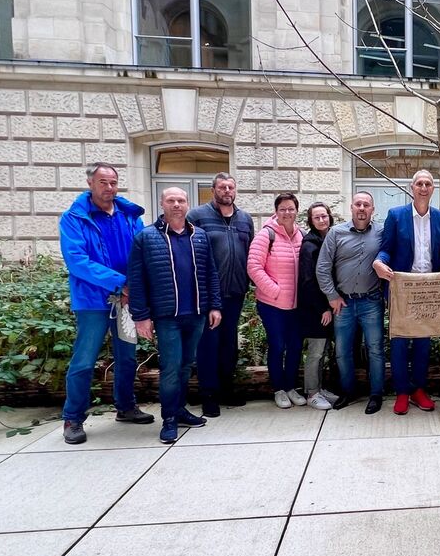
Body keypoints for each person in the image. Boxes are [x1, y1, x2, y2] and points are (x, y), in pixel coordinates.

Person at [58, 163, 151, 445]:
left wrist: (134, 286)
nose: (109, 188)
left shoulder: (129, 215)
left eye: (113, 182)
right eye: (103, 182)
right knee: (84, 360)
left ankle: (125, 407)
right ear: (90, 183)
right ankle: (73, 417)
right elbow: (77, 262)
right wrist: (119, 283)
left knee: (127, 356)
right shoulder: (74, 218)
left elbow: (143, 252)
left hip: (127, 299)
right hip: (92, 301)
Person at [128, 187, 222, 444]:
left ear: (188, 203)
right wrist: (141, 316)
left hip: (197, 313)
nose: (177, 205)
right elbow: (137, 280)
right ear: (162, 203)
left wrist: (215, 306)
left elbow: (210, 274)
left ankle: (180, 410)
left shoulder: (199, 236)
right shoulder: (146, 237)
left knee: (185, 366)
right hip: (167, 315)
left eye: (181, 200)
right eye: (171, 200)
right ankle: (169, 418)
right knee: (170, 367)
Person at [373, 170, 440, 415]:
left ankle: (419, 389)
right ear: (412, 187)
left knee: (422, 342)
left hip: (429, 289)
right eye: (419, 183)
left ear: (432, 189)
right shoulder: (396, 215)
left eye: (428, 183)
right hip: (402, 288)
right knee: (399, 341)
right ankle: (401, 392)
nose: (423, 187)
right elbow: (386, 249)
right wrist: (379, 262)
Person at [187, 173, 254, 417]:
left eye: (230, 187)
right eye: (222, 187)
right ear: (213, 189)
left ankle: (226, 389)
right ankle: (208, 395)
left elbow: (249, 253)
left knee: (229, 344)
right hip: (207, 294)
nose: (226, 191)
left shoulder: (245, 219)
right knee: (208, 345)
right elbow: (191, 254)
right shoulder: (197, 216)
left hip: (235, 292)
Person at [316, 191, 386, 414]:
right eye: (358, 204)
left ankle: (376, 394)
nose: (362, 208)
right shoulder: (336, 233)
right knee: (342, 351)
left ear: (373, 210)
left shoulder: (382, 233)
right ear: (352, 208)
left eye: (367, 204)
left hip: (372, 301)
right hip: (343, 303)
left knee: (375, 349)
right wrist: (332, 296)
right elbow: (322, 268)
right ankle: (348, 391)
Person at [247, 193, 306, 409]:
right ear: (276, 211)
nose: (287, 213)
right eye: (283, 209)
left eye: (291, 209)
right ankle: (279, 389)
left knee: (295, 346)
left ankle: (290, 386)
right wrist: (275, 290)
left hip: (296, 305)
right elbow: (253, 267)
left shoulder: (301, 235)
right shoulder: (266, 235)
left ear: (296, 211)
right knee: (277, 346)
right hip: (273, 304)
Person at [300, 202, 340, 411]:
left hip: (327, 306)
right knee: (315, 352)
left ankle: (319, 388)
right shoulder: (310, 245)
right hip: (315, 309)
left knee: (323, 350)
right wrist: (322, 308)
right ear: (311, 221)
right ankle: (312, 393)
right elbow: (308, 280)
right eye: (317, 217)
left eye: (324, 216)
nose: (322, 220)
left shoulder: (328, 239)